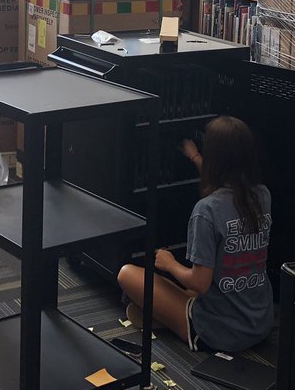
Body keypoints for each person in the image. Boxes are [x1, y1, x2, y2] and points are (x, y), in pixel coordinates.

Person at [116, 116, 274, 352]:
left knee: (126, 274)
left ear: (215, 158)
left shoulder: (205, 211)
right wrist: (195, 157)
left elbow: (200, 283)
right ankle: (161, 316)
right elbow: (228, 193)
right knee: (191, 290)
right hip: (260, 322)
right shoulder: (262, 195)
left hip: (220, 333)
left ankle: (168, 319)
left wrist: (169, 264)